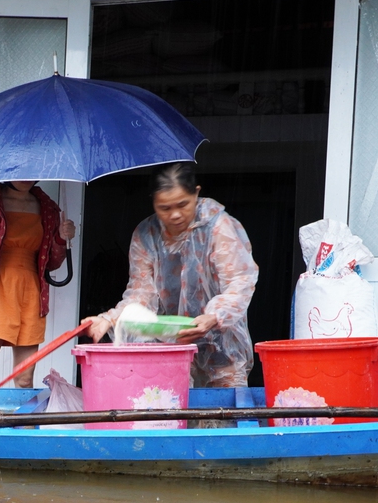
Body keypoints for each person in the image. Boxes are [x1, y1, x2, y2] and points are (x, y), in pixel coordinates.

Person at [83, 162, 258, 388]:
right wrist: (109, 319)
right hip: (169, 342)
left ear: (196, 192)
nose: (175, 214)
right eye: (164, 208)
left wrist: (214, 316)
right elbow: (141, 294)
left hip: (220, 341)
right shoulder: (146, 235)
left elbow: (239, 281)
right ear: (153, 202)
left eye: (183, 204)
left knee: (223, 411)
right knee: (171, 407)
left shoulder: (217, 226)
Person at [0, 181, 75, 388]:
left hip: (30, 295)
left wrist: (61, 238)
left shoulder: (47, 207)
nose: (27, 177)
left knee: (24, 379)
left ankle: (22, 422)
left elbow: (51, 263)